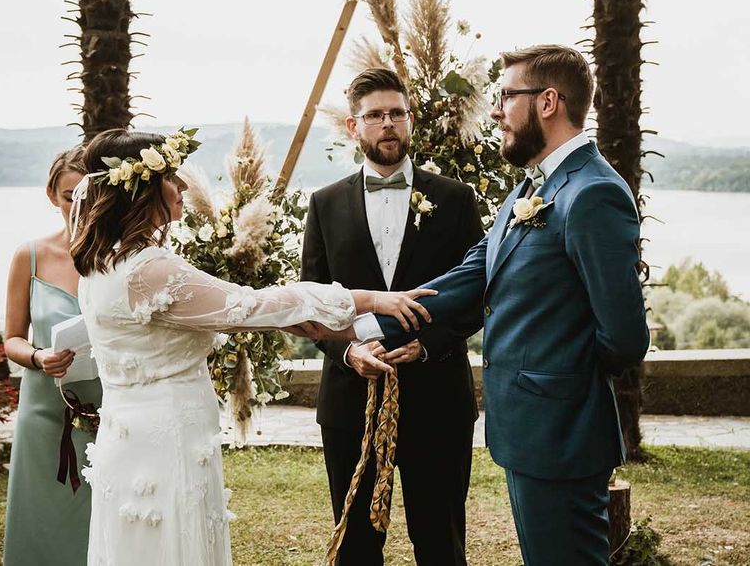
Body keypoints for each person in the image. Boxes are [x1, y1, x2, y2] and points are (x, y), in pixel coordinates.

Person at [319, 45, 651, 566]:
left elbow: (626, 338)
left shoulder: (591, 192)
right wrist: (352, 321)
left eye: (504, 97)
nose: (495, 111)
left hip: (559, 429)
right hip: (528, 434)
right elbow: (471, 275)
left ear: (547, 103)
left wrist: (556, 382)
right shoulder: (532, 186)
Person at [69, 127, 431, 566]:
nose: (182, 186)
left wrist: (347, 332)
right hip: (166, 439)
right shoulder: (150, 270)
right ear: (142, 189)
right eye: (171, 177)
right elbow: (250, 305)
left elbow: (247, 313)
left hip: (130, 432)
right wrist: (371, 299)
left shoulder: (101, 262)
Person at [301, 68, 484, 565]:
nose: (388, 124)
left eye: (397, 114)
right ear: (353, 126)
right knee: (356, 550)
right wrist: (348, 350)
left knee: (441, 545)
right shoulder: (323, 204)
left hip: (437, 398)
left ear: (410, 120)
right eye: (376, 115)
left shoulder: (455, 198)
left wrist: (431, 344)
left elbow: (477, 295)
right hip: (350, 401)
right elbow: (311, 305)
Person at [3, 146, 104, 566]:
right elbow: (11, 338)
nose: (78, 205)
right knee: (40, 514)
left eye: (88, 194)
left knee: (102, 517)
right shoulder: (30, 256)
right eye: (68, 195)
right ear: (51, 195)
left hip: (107, 410)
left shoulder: (117, 258)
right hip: (44, 409)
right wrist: (39, 356)